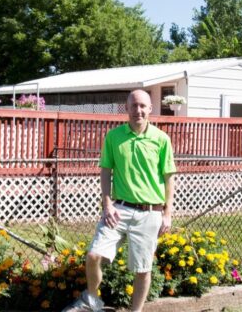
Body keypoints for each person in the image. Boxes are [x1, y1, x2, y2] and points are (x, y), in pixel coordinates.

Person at [63, 89, 176, 312]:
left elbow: (169, 177)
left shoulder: (161, 139)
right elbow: (106, 171)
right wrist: (106, 205)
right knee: (94, 255)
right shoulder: (114, 137)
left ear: (150, 109)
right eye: (134, 106)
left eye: (143, 106)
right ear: (127, 109)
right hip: (118, 210)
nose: (138, 110)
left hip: (149, 213)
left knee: (143, 269)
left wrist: (167, 213)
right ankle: (92, 302)